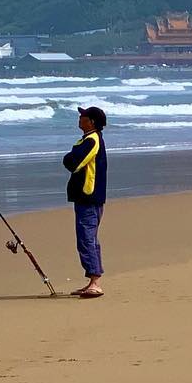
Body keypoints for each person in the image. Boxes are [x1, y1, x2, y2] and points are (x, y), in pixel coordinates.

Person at [63, 105, 108, 298]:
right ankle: (92, 280)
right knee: (88, 238)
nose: (80, 118)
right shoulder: (87, 139)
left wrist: (68, 157)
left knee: (86, 238)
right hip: (88, 197)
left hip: (88, 197)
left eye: (83, 116)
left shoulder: (92, 140)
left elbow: (73, 163)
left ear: (92, 121)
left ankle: (95, 282)